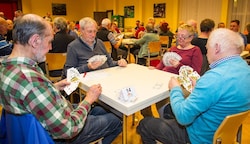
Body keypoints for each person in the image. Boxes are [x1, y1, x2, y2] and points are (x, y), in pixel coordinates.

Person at [0, 14, 122, 144]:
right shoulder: (31, 80)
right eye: (49, 42)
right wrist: (88, 99)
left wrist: (53, 87)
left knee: (101, 110)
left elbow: (32, 96)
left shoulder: (8, 68)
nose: (50, 48)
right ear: (35, 41)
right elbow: (68, 129)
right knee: (117, 119)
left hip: (42, 122)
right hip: (60, 132)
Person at [137, 28, 250, 144]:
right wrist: (199, 88)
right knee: (168, 111)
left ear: (217, 48)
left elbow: (183, 117)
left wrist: (175, 89)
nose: (207, 53)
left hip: (198, 137)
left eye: (207, 48)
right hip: (221, 134)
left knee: (145, 125)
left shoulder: (214, 78)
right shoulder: (245, 69)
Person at [140, 24, 203, 117]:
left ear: (191, 38)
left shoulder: (195, 50)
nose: (180, 38)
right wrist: (156, 69)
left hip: (181, 82)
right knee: (146, 91)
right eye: (178, 36)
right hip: (164, 76)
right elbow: (163, 63)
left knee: (161, 98)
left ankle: (164, 120)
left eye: (183, 37)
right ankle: (149, 118)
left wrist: (179, 65)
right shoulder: (173, 48)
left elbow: (195, 73)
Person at [62, 17, 127, 78]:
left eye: (95, 31)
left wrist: (118, 62)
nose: (93, 35)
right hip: (88, 81)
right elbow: (68, 72)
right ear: (81, 31)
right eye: (90, 31)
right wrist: (87, 67)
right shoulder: (73, 47)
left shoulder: (100, 43)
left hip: (105, 76)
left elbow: (110, 62)